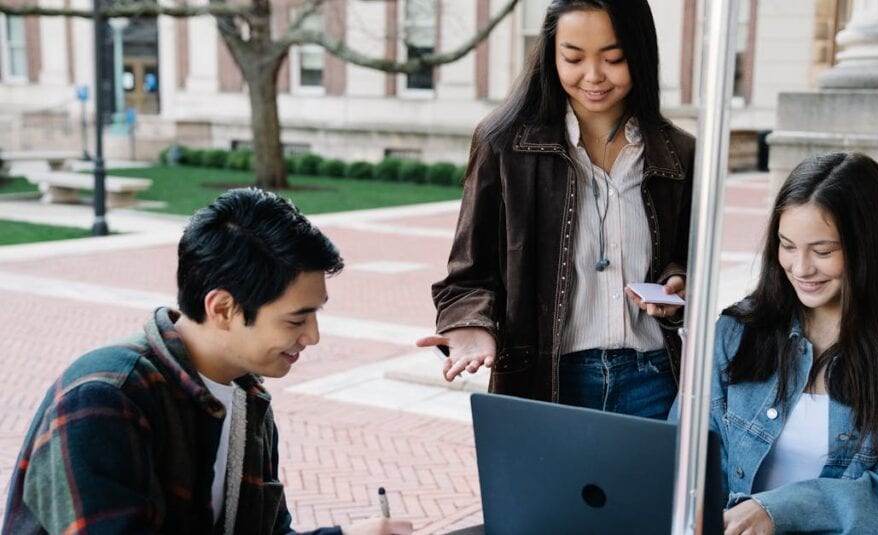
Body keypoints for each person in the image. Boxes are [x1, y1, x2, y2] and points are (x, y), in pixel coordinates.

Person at [3, 189, 413, 535]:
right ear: (222, 308)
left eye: (315, 314)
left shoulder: (247, 396)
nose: (312, 336)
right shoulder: (105, 399)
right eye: (296, 318)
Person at [416, 0, 695, 419]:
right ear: (551, 55)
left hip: (655, 379)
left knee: (647, 488)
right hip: (545, 381)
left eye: (613, 58)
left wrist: (678, 282)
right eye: (573, 57)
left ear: (640, 52)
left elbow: (688, 261)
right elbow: (468, 274)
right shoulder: (504, 143)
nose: (593, 76)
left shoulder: (680, 153)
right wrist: (470, 324)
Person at [680, 152, 878, 534]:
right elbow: (684, 453)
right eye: (787, 245)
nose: (800, 267)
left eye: (823, 251)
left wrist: (777, 511)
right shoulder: (736, 331)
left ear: (868, 248)